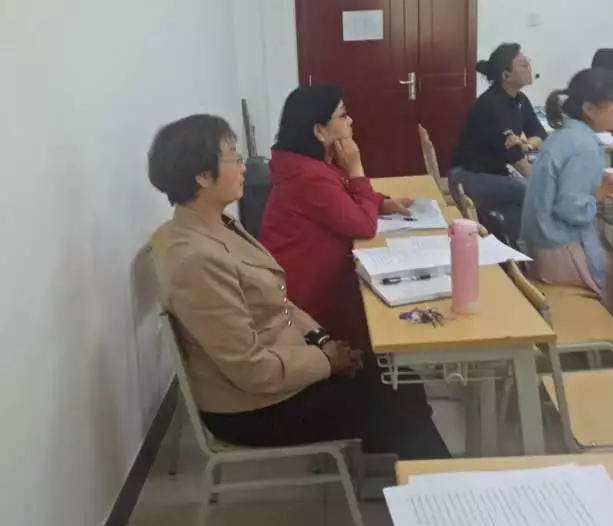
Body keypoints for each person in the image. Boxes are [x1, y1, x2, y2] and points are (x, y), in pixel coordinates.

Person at [147, 113, 449, 459]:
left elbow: (278, 302)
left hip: (282, 366)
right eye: (233, 157)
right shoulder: (197, 260)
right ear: (202, 176)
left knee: (400, 383)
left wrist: (322, 340)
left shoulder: (216, 224)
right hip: (252, 407)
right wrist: (325, 361)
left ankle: (404, 469)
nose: (243, 166)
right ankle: (438, 489)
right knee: (395, 401)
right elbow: (251, 370)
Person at [260, 85, 413, 349]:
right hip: (307, 301)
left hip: (317, 282)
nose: (350, 121)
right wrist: (356, 168)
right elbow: (364, 226)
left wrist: (382, 203)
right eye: (342, 115)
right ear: (319, 130)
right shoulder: (308, 177)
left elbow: (341, 195)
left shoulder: (305, 164)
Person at [520, 68, 613, 294]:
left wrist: (593, 185)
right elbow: (570, 208)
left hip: (540, 246)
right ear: (590, 109)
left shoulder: (564, 134)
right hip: (558, 250)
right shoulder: (585, 145)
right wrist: (597, 194)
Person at [449, 43, 547, 243]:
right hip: (468, 177)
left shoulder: (519, 100)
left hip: (494, 175)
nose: (530, 69)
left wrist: (528, 145)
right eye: (523, 65)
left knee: (515, 209)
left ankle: (513, 250)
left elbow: (539, 134)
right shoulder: (490, 105)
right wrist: (542, 186)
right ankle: (539, 247)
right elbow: (516, 159)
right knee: (527, 190)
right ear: (506, 75)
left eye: (528, 63)